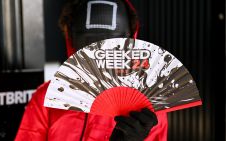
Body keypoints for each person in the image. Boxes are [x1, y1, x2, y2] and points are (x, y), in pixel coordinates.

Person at [15, 0, 168, 141]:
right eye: (88, 45)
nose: (98, 56)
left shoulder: (146, 110)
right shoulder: (47, 97)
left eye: (109, 44)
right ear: (72, 42)